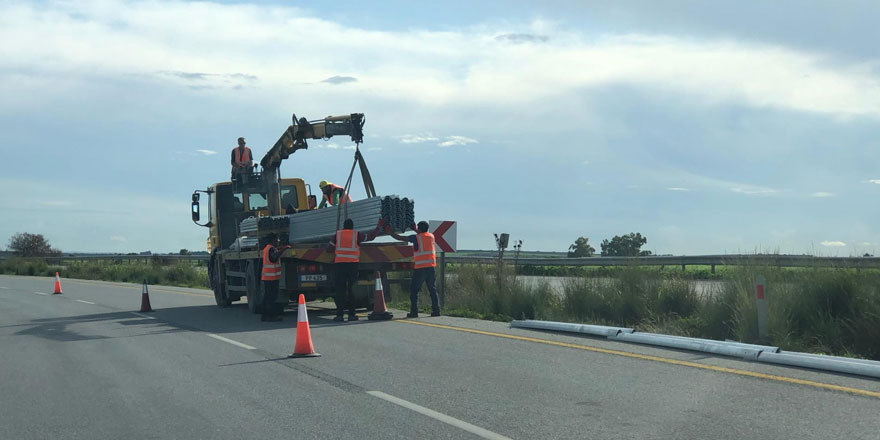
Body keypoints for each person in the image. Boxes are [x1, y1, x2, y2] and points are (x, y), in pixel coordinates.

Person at [328, 218, 383, 321]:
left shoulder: (337, 235)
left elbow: (329, 249)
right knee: (352, 290)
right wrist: (378, 227)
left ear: (343, 226)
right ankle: (352, 315)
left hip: (340, 265)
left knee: (340, 290)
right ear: (352, 227)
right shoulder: (357, 235)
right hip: (353, 265)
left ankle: (339, 315)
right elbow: (370, 237)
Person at [389, 221, 441, 318]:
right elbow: (422, 235)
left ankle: (414, 312)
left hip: (420, 268)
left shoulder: (416, 237)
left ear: (419, 229)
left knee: (414, 290)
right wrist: (415, 229)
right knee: (432, 290)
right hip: (431, 267)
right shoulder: (431, 236)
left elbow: (400, 238)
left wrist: (390, 233)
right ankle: (436, 310)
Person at [261, 233, 290, 322]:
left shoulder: (268, 248)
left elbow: (275, 252)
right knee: (271, 298)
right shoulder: (271, 249)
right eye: (277, 239)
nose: (278, 241)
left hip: (269, 278)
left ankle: (265, 316)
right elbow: (274, 256)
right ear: (272, 240)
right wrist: (284, 249)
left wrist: (281, 248)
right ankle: (270, 316)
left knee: (268, 297)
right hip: (271, 278)